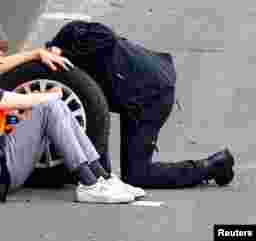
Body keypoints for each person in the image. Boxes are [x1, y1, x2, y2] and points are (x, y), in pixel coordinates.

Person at [0, 24, 143, 204]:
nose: (2, 61)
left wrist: (36, 54)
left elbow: (1, 85)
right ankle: (90, 184)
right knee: (50, 105)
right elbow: (20, 100)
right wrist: (49, 95)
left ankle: (102, 177)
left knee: (51, 105)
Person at [45, 20, 234, 189]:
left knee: (137, 175)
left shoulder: (82, 40)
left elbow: (106, 34)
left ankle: (211, 166)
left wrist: (63, 49)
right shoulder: (75, 71)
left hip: (153, 96)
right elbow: (96, 114)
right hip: (139, 83)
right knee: (104, 168)